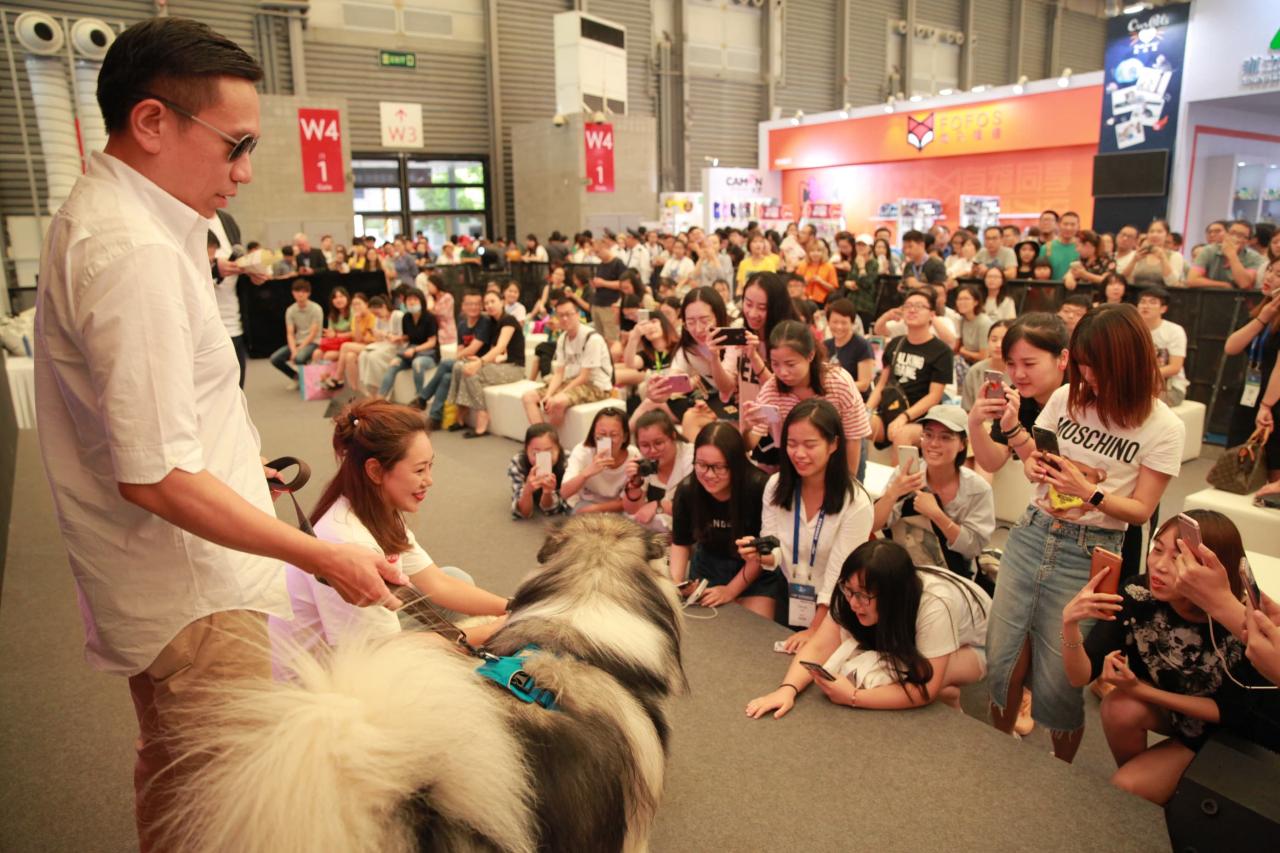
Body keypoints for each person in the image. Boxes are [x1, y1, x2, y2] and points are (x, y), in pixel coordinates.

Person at [32, 19, 404, 850]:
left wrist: (241, 469)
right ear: (152, 121)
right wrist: (322, 556)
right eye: (235, 145)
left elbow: (157, 428)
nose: (243, 172)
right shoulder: (133, 250)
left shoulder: (119, 223)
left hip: (175, 576)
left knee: (178, 774)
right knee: (233, 807)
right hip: (195, 590)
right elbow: (156, 475)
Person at [986, 303, 1185, 762]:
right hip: (1032, 531)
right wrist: (1028, 453)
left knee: (1062, 675)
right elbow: (1037, 458)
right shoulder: (1067, 397)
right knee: (1002, 656)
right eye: (1082, 365)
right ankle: (997, 753)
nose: (1088, 378)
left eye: (1096, 367)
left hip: (1091, 550)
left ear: (1126, 362)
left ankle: (1062, 774)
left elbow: (1141, 510)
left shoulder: (1163, 426)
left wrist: (1088, 492)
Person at [275, 400, 508, 656]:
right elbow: (382, 652)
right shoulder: (349, 538)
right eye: (419, 470)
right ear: (375, 470)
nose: (429, 480)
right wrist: (489, 632)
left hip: (357, 642)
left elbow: (437, 582)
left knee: (456, 578)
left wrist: (513, 607)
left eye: (430, 466)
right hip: (331, 668)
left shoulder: (376, 509)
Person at [1062, 510, 1249, 804]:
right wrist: (1069, 624)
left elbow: (1228, 713)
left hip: (1223, 734)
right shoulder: (1139, 594)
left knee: (1126, 786)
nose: (1159, 566)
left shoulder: (1238, 622)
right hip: (1174, 713)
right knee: (1118, 708)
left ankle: (1174, 792)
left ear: (1211, 569)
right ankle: (1156, 794)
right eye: (1157, 549)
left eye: (1178, 558)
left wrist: (1141, 690)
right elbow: (1079, 676)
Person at [745, 540, 990, 718]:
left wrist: (854, 697)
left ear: (893, 595)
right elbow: (820, 646)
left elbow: (926, 687)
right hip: (910, 634)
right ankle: (945, 690)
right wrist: (787, 690)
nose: (853, 603)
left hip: (977, 647)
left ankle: (949, 696)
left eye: (863, 595)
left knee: (896, 675)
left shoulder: (935, 606)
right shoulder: (851, 591)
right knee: (865, 664)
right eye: (849, 590)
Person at [748, 399, 873, 650]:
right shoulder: (775, 486)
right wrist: (760, 554)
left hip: (838, 608)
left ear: (833, 444)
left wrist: (816, 629)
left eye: (810, 444)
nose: (799, 453)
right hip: (790, 595)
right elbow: (774, 550)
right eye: (792, 443)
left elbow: (842, 575)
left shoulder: (856, 502)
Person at [670, 421, 781, 618]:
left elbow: (763, 553)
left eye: (719, 467)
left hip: (756, 569)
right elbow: (680, 543)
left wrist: (730, 591)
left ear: (736, 464)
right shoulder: (687, 490)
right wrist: (676, 585)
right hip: (708, 565)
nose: (709, 474)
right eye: (701, 465)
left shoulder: (759, 487)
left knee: (754, 628)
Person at [872, 405, 995, 580]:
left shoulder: (977, 490)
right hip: (904, 571)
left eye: (945, 437)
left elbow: (973, 548)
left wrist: (937, 515)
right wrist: (893, 493)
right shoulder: (906, 475)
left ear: (962, 444)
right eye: (928, 435)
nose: (934, 444)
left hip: (952, 578)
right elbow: (872, 525)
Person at [744, 320, 870, 479]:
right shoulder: (772, 390)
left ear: (810, 355)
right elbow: (750, 443)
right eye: (775, 364)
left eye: (790, 364)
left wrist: (849, 481)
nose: (782, 372)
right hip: (802, 459)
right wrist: (747, 427)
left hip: (843, 453)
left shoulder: (838, 382)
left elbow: (854, 437)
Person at [968, 313, 1067, 475]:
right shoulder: (1013, 398)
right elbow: (992, 463)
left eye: (1029, 364)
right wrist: (974, 423)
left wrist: (1013, 430)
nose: (1019, 374)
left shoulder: (1083, 397)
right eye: (1010, 363)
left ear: (1062, 358)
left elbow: (1059, 471)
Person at [865, 288, 953, 464]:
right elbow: (882, 385)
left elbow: (934, 396)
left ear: (932, 315)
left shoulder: (941, 351)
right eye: (908, 306)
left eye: (919, 306)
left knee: (902, 434)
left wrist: (904, 417)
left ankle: (899, 481)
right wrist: (866, 411)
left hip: (923, 421)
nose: (912, 310)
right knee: (854, 423)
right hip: (889, 411)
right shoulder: (895, 343)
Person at [1222, 259, 1280, 484]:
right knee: (1240, 462)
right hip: (1250, 394)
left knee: (1273, 466)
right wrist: (1262, 318)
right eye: (1269, 270)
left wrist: (1266, 405)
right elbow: (1231, 347)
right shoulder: (1263, 310)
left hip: (1272, 400)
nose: (1269, 277)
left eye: (1278, 274)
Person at [522, 297, 614, 428]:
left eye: (568, 314)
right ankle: (541, 434)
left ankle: (550, 438)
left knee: (558, 401)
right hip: (573, 381)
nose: (564, 319)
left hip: (597, 386)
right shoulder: (562, 338)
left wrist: (560, 394)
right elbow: (559, 373)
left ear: (577, 314)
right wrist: (548, 395)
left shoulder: (592, 338)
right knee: (528, 397)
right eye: (560, 315)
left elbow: (584, 377)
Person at [447, 289, 525, 438]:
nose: (489, 305)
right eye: (486, 303)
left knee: (470, 371)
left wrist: (480, 363)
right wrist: (478, 361)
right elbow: (496, 353)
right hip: (501, 365)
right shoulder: (493, 323)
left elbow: (500, 347)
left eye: (493, 301)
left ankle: (482, 413)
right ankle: (461, 412)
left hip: (515, 369)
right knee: (459, 366)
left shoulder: (509, 320)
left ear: (502, 302)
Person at [416, 290, 491, 427]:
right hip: (464, 364)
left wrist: (458, 356)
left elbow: (473, 349)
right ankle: (434, 417)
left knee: (445, 363)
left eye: (477, 304)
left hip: (479, 364)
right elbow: (460, 348)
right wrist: (459, 356)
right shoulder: (462, 324)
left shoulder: (484, 322)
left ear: (481, 306)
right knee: (446, 377)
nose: (473, 307)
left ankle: (423, 398)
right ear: (463, 306)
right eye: (470, 304)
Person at [621, 410, 694, 535]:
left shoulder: (691, 458)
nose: (653, 451)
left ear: (673, 436)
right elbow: (632, 511)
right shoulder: (643, 462)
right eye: (645, 445)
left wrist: (658, 506)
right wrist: (635, 484)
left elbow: (695, 507)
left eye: (658, 443)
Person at [560, 407, 640, 513]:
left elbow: (630, 502)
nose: (607, 440)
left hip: (618, 507)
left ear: (624, 437)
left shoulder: (633, 455)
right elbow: (564, 493)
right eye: (602, 434)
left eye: (614, 435)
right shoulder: (583, 451)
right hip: (586, 502)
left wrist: (596, 509)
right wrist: (587, 473)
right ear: (594, 435)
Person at [379, 288, 438, 401]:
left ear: (421, 301)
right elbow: (408, 336)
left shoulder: (430, 318)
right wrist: (398, 338)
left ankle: (420, 399)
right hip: (410, 352)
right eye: (409, 300)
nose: (412, 302)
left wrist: (415, 350)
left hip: (428, 354)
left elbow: (432, 342)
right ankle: (380, 398)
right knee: (393, 364)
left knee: (417, 363)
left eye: (415, 299)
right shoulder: (406, 317)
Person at [1137, 288, 1188, 407]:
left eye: (1152, 302)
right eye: (1143, 301)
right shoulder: (1132, 330)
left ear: (1163, 309)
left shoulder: (1174, 330)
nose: (1146, 306)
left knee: (1133, 400)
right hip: (1139, 386)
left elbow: (1175, 367)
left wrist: (1139, 377)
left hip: (1170, 389)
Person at [509, 423, 569, 519]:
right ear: (526, 450)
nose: (542, 458)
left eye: (548, 452)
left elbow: (556, 508)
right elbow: (523, 513)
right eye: (535, 453)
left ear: (558, 448)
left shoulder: (568, 461)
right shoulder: (519, 462)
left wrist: (547, 493)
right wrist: (527, 491)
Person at [270, 278, 323, 386]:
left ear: (308, 293)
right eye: (297, 291)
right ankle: (297, 378)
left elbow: (313, 333)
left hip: (314, 342)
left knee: (299, 358)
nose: (300, 294)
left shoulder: (316, 308)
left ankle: (309, 382)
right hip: (298, 342)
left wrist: (298, 350)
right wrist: (294, 350)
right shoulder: (290, 310)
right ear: (293, 293)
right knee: (275, 359)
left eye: (304, 291)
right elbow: (290, 333)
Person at [1188, 219, 1264, 289]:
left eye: (1240, 235)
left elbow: (1244, 284)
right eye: (1232, 233)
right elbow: (1192, 280)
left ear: (1248, 241)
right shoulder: (1209, 250)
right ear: (1226, 234)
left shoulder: (1254, 258)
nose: (1234, 237)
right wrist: (1224, 285)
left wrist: (1232, 255)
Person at [823, 298, 875, 397]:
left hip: (855, 399)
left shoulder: (862, 346)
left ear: (852, 323)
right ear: (828, 322)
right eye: (835, 322)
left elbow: (864, 384)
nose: (839, 327)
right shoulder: (825, 345)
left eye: (844, 323)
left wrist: (836, 388)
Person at [960, 321, 1011, 412]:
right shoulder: (975, 371)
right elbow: (967, 410)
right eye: (994, 340)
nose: (998, 345)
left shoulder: (1018, 372)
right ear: (987, 342)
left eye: (1004, 340)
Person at [1118, 220, 1183, 289]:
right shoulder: (1139, 254)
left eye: (1159, 232)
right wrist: (1134, 261)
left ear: (1167, 236)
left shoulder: (1175, 256)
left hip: (1162, 294)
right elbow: (1122, 280)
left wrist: (1163, 258)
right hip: (1137, 293)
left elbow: (1172, 283)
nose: (1154, 235)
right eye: (1151, 231)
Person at [590, 239, 628, 343]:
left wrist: (603, 283)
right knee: (598, 339)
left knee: (611, 338)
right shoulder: (601, 264)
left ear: (605, 248)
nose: (597, 255)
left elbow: (623, 284)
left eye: (598, 252)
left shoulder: (617, 263)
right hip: (597, 303)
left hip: (609, 305)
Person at [954, 284, 993, 366]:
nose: (962, 302)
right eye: (959, 299)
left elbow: (984, 356)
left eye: (966, 299)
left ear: (976, 302)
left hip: (982, 366)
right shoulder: (962, 320)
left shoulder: (984, 322)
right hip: (966, 363)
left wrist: (964, 352)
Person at [1039, 211, 1081, 280]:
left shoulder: (1083, 248)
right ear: (1058, 225)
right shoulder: (1046, 248)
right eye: (1065, 224)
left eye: (1073, 225)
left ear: (1078, 226)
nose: (1068, 228)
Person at [418, 272, 456, 346]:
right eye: (427, 286)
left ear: (436, 284)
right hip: (433, 331)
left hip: (447, 331)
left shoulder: (447, 297)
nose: (428, 288)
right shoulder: (430, 298)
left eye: (429, 285)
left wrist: (430, 309)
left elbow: (443, 313)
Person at [797, 239, 838, 305]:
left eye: (818, 251)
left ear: (823, 253)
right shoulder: (802, 265)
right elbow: (795, 285)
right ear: (808, 253)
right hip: (804, 300)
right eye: (812, 251)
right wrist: (803, 282)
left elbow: (833, 289)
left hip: (823, 302)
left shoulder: (829, 267)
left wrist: (821, 282)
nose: (815, 254)